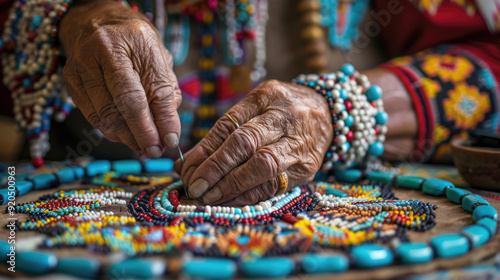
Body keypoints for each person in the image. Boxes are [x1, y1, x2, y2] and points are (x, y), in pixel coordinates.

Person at [1, 0, 499, 205]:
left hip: (342, 199)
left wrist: (341, 107)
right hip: (57, 194)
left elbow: (489, 57)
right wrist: (76, 18)